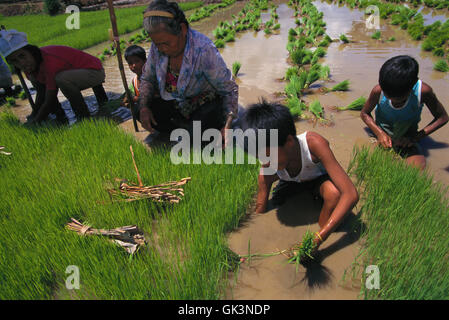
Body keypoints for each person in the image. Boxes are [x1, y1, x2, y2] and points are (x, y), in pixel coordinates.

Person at [241, 100, 359, 253]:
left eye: (268, 156)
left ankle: (323, 227)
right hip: (291, 182)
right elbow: (260, 208)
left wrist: (317, 240)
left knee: (334, 195)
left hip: (317, 181)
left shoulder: (313, 145)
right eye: (260, 157)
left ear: (289, 141)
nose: (265, 162)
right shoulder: (270, 168)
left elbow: (350, 194)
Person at [137, 0, 238, 138]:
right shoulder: (158, 47)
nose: (162, 49)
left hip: (203, 105)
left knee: (200, 132)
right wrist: (143, 107)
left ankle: (192, 132)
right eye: (157, 44)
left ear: (182, 29)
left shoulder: (203, 49)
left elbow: (229, 89)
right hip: (176, 104)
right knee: (141, 110)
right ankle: (180, 130)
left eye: (166, 43)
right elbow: (147, 78)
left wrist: (228, 125)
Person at [0, 29, 108, 124]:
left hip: (95, 71)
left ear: (31, 52)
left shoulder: (49, 62)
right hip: (76, 73)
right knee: (37, 79)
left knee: (61, 79)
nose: (21, 63)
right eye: (15, 61)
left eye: (22, 56)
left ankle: (83, 117)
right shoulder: (30, 67)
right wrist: (35, 113)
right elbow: (42, 93)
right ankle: (60, 115)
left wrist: (37, 120)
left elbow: (50, 97)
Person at [361, 55, 448, 170]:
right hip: (383, 136)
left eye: (398, 99)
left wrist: (415, 137)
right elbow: (364, 113)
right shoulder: (379, 90)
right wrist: (379, 133)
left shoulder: (423, 92)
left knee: (417, 169)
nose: (392, 101)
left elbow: (442, 118)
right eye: (388, 96)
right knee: (375, 165)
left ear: (413, 85)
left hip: (408, 139)